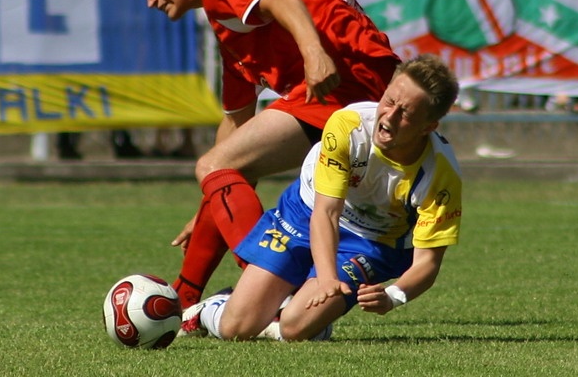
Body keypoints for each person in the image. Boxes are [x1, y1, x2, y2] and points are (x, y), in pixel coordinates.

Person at [128, 0, 401, 308]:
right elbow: (236, 127)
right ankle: (184, 298)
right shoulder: (226, 23)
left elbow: (284, 0)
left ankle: (269, 293)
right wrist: (211, 199)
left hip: (347, 78)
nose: (150, 0)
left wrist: (313, 54)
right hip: (350, 83)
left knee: (213, 165)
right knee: (218, 167)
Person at [180, 54, 462, 341]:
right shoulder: (347, 127)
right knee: (236, 328)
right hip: (306, 213)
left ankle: (306, 320)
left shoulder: (440, 176)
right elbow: (326, 213)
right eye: (389, 101)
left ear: (428, 127)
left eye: (406, 114)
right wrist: (327, 279)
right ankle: (209, 310)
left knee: (294, 327)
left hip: (373, 243)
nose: (388, 117)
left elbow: (427, 262)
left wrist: (392, 297)